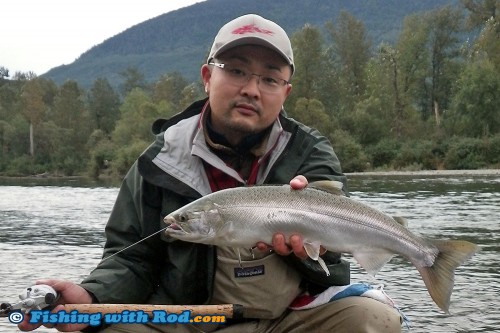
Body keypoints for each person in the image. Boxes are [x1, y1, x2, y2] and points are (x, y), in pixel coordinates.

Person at [19, 14, 402, 333]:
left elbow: (334, 268)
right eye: (235, 71)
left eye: (269, 79)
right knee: (107, 329)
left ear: (285, 93)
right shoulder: (160, 161)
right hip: (185, 320)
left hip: (289, 318)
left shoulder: (309, 152)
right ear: (207, 77)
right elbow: (132, 258)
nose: (252, 89)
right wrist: (92, 297)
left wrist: (311, 254)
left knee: (373, 318)